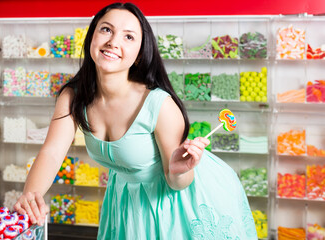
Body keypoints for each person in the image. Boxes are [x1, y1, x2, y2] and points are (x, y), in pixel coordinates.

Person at [14, 2, 258, 239]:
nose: (113, 42)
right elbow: (52, 151)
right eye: (106, 29)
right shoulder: (74, 95)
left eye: (128, 37)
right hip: (124, 199)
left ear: (140, 54)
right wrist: (30, 195)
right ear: (91, 37)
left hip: (176, 202)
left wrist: (179, 170)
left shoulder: (159, 105)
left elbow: (177, 182)